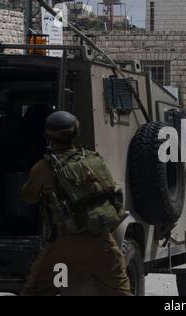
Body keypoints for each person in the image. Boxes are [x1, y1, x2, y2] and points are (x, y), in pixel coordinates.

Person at [20, 111, 132, 296]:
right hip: (101, 241)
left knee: (35, 291)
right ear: (76, 132)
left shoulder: (44, 167)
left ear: (48, 136)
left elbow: (28, 197)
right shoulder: (93, 159)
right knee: (120, 291)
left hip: (63, 245)